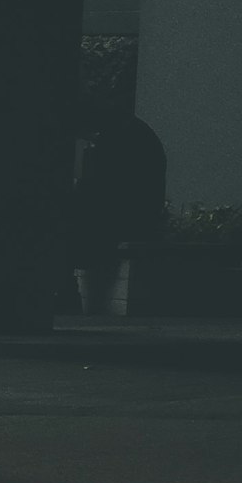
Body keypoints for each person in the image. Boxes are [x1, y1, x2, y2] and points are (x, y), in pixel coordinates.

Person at [68, 77, 169, 320]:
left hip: (122, 218)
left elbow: (99, 190)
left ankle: (68, 293)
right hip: (132, 214)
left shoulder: (117, 138)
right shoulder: (129, 131)